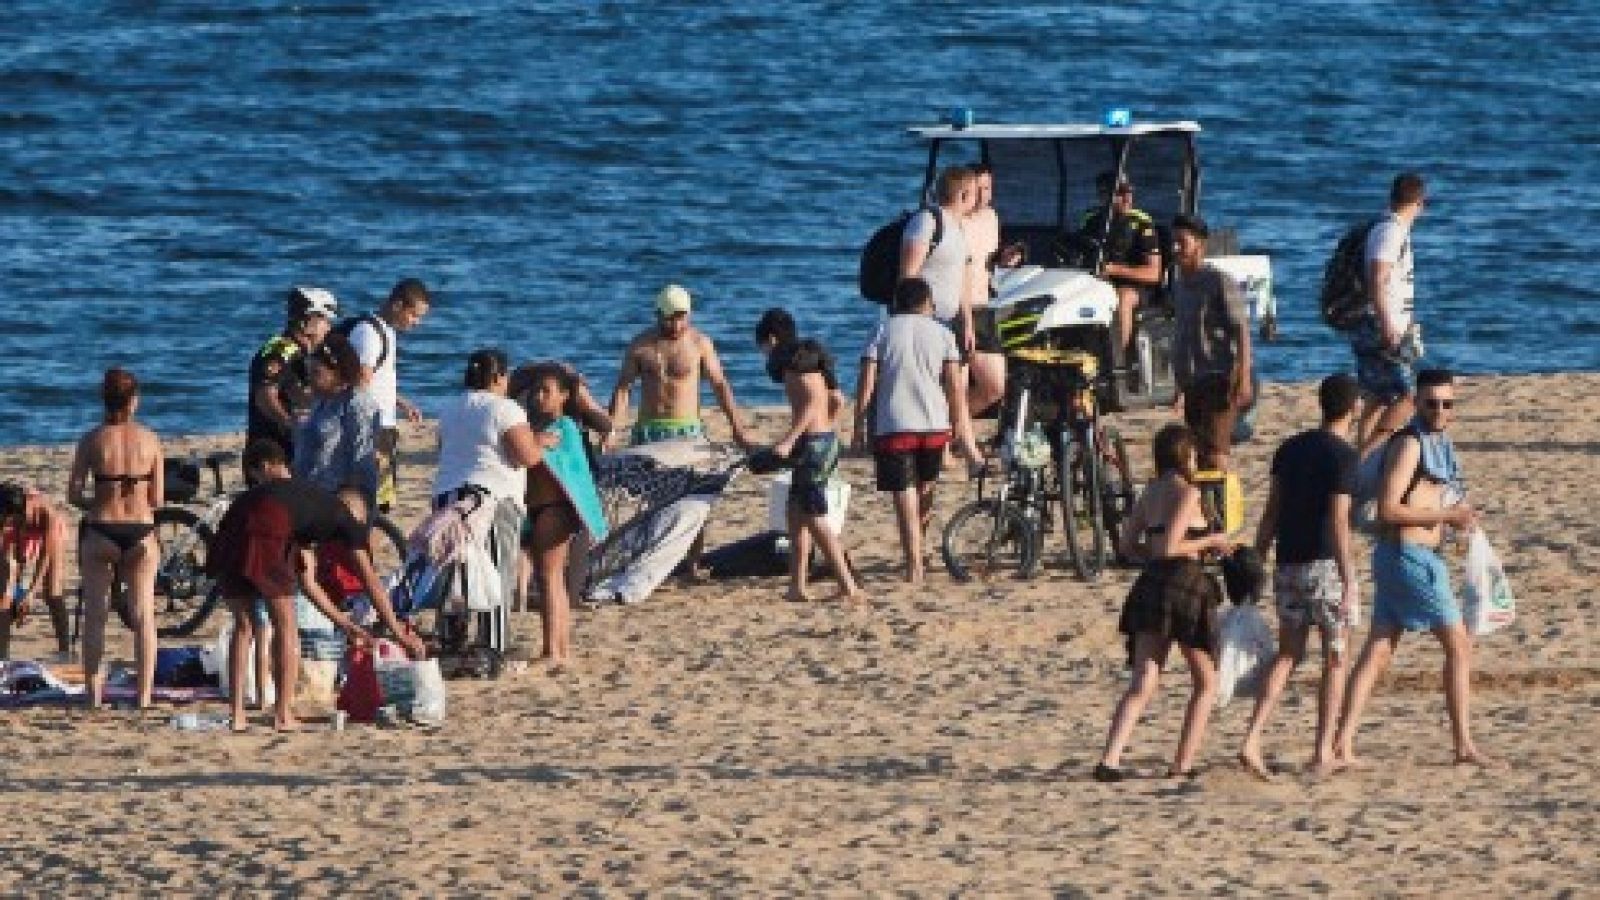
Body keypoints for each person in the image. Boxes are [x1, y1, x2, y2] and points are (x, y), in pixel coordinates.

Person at [1335, 368, 1494, 768]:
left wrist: (1456, 518)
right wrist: (1446, 516)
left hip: (1401, 558)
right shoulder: (1411, 446)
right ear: (1417, 403)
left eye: (1447, 403)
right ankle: (1463, 746)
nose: (1439, 410)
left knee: (1379, 652)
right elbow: (1389, 508)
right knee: (1459, 645)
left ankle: (1342, 741)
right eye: (1431, 403)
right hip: (1410, 558)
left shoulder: (1439, 445)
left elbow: (1433, 497)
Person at [209, 439, 422, 732]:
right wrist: (398, 632)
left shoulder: (306, 508)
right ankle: (283, 715)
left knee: (243, 626)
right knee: (285, 626)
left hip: (231, 526)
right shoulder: (345, 520)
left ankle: (237, 716)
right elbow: (370, 580)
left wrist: (345, 624)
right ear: (357, 512)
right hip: (268, 523)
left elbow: (307, 583)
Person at [1238, 374, 1361, 778]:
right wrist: (1350, 578)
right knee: (1336, 657)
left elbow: (1271, 511)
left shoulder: (1289, 449)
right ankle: (1322, 750)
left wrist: (1257, 559)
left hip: (1288, 563)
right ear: (1354, 408)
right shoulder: (1343, 456)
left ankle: (1253, 736)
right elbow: (1340, 521)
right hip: (1324, 566)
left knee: (1289, 654)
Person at [1096, 424, 1233, 781]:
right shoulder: (1188, 493)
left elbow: (1127, 546)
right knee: (1205, 682)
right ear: (1186, 456)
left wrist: (1151, 556)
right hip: (1185, 586)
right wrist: (1209, 541)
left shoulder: (1150, 492)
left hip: (1152, 584)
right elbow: (1174, 547)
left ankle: (1110, 758)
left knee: (1143, 680)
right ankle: (1182, 764)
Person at [853, 279, 981, 584]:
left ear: (896, 303)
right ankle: (920, 552)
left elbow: (866, 383)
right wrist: (960, 430)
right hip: (934, 425)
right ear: (928, 303)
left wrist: (858, 424)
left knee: (904, 496)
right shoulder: (943, 333)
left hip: (894, 424)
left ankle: (913, 565)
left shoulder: (882, 330)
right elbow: (955, 389)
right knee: (925, 490)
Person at [432, 349, 553, 662]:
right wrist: (540, 442)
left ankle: (450, 640)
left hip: (447, 496)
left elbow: (446, 449)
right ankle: (492, 644)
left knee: (454, 569)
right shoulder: (505, 409)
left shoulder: (450, 408)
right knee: (495, 571)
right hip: (492, 498)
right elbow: (527, 456)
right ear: (499, 377)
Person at [66, 368, 163, 709]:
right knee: (143, 615)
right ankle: (145, 696)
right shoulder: (151, 440)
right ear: (134, 401)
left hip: (102, 529)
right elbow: (158, 500)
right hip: (140, 531)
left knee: (96, 614)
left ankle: (93, 696)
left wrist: (100, 501)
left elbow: (74, 494)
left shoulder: (91, 440)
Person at [754, 310, 864, 603]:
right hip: (825, 441)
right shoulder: (813, 360)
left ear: (772, 339)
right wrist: (828, 426)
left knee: (814, 518)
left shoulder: (792, 364)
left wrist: (790, 440)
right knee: (794, 514)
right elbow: (836, 399)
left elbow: (812, 403)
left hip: (810, 445)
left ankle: (847, 585)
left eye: (762, 347)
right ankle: (797, 585)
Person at [519, 363, 609, 662]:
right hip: (538, 509)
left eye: (547, 391)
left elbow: (550, 461)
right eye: (536, 391)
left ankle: (553, 649)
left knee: (549, 578)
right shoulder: (539, 429)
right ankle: (558, 648)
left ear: (564, 396)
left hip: (555, 510)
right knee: (551, 580)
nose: (539, 397)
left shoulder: (565, 427)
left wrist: (532, 440)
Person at [607, 284, 751, 450]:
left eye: (681, 318)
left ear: (689, 314)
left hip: (687, 430)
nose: (676, 326)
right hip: (648, 430)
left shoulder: (700, 343)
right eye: (669, 319)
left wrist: (737, 428)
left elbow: (719, 385)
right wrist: (610, 432)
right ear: (658, 314)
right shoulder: (640, 345)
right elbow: (623, 389)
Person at [1170, 213, 1254, 470]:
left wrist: (1244, 374)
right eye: (1173, 242)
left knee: (1217, 454)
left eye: (1182, 242)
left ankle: (1224, 508)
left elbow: (1242, 327)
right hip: (1192, 381)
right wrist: (1179, 386)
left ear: (1199, 245)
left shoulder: (1218, 281)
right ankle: (1210, 508)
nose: (1175, 248)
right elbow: (1183, 334)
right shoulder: (1179, 283)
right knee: (1199, 454)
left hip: (1219, 378)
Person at [1352, 173, 1427, 454]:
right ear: (1420, 203)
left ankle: (1361, 460)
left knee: (1376, 398)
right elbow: (1378, 278)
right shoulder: (1391, 231)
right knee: (1409, 396)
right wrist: (1387, 324)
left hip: (1376, 320)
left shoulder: (1386, 228)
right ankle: (1365, 454)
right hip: (1380, 324)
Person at [346, 278, 431, 512]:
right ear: (397, 305)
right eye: (413, 315)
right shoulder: (369, 333)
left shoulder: (387, 332)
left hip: (383, 427)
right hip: (373, 428)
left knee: (382, 503)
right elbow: (360, 381)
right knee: (375, 504)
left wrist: (401, 403)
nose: (416, 323)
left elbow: (376, 380)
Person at [246, 286, 339, 469]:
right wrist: (289, 423)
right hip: (274, 451)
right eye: (325, 320)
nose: (329, 327)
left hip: (296, 446)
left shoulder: (307, 353)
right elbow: (264, 396)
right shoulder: (279, 351)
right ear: (308, 320)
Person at [292, 332, 382, 512]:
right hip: (308, 494)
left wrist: (353, 502)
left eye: (316, 372)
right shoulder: (322, 401)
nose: (309, 378)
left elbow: (362, 458)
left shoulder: (357, 404)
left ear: (338, 373)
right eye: (308, 371)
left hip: (339, 502)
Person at [1074, 172, 1162, 356]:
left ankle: (1121, 362)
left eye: (1129, 192)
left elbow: (1154, 273)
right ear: (1103, 195)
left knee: (1122, 298)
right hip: (1096, 281)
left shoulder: (1141, 223)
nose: (1127, 198)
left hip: (1134, 286)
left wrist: (1114, 269)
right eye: (1120, 193)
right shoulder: (1090, 219)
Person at [900, 165, 977, 335]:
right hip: (922, 320)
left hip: (947, 322)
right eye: (975, 193)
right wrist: (912, 322)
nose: (977, 199)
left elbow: (962, 278)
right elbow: (908, 276)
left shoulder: (957, 228)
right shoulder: (927, 221)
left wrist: (967, 323)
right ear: (963, 195)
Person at [0, 483, 72, 660]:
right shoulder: (10, 506)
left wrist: (31, 592)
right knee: (6, 593)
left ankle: (64, 649)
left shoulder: (49, 515)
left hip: (51, 534)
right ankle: (3, 655)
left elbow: (45, 557)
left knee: (52, 591)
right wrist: (17, 589)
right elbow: (15, 557)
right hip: (20, 531)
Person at [961, 162, 1007, 417]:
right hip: (960, 308)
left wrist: (1003, 258)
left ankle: (950, 429)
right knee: (956, 383)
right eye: (977, 189)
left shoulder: (991, 218)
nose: (982, 195)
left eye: (987, 188)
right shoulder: (956, 221)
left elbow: (986, 260)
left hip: (984, 306)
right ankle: (949, 435)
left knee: (996, 386)